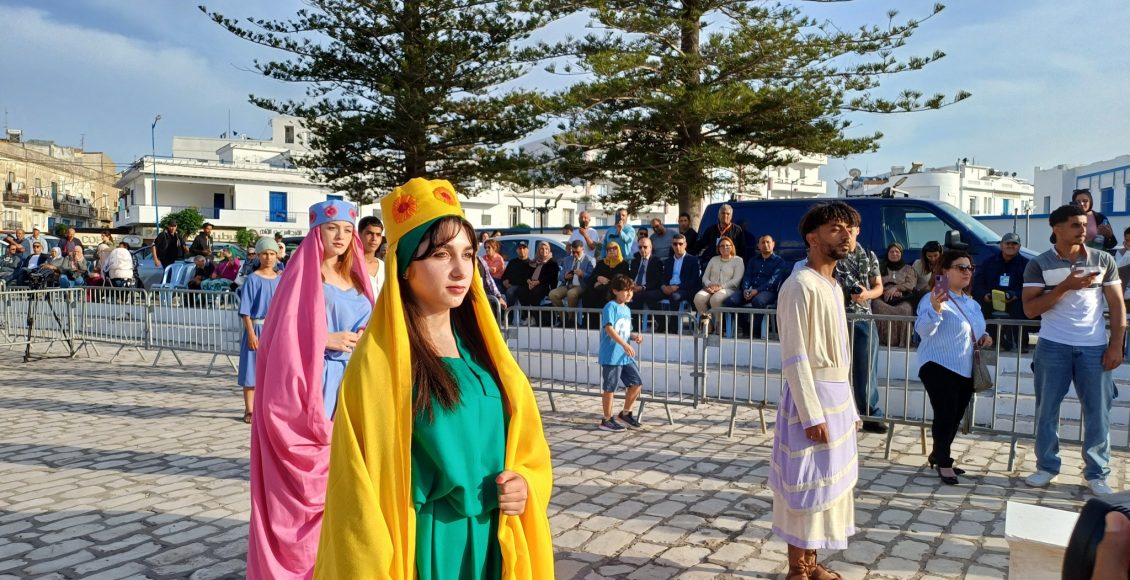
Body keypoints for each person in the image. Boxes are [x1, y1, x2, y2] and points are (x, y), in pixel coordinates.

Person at [314, 178, 553, 578]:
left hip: (494, 538)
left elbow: (527, 446)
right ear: (405, 267)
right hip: (427, 544)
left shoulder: (486, 354)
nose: (461, 269)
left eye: (468, 254)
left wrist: (525, 483)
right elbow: (357, 491)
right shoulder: (377, 366)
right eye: (442, 254)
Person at [246, 199, 375, 579]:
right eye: (333, 228)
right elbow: (279, 337)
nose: (341, 236)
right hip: (313, 385)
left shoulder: (358, 279)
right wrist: (324, 338)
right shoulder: (303, 277)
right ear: (317, 231)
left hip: (353, 385)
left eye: (347, 230)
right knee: (311, 485)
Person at [770, 202, 860, 579]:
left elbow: (842, 356)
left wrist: (850, 409)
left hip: (837, 398)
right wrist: (811, 415)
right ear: (812, 238)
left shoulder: (834, 286)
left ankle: (812, 561)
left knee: (828, 488)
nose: (846, 235)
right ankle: (797, 570)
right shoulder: (799, 286)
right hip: (811, 401)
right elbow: (795, 356)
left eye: (850, 229)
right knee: (805, 485)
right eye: (836, 228)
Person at [1022, 203, 1124, 496]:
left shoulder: (1103, 259)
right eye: (1075, 225)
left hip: (1094, 348)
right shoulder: (1038, 264)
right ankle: (1047, 467)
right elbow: (1030, 309)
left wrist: (1116, 345)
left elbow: (1117, 305)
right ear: (1056, 228)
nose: (1083, 230)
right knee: (1047, 411)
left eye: (1084, 224)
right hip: (1053, 346)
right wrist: (1065, 285)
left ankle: (1097, 473)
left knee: (1098, 413)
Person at [915, 249, 991, 485]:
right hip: (937, 364)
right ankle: (944, 462)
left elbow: (977, 329)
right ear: (945, 271)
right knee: (945, 415)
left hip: (965, 366)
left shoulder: (972, 303)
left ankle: (937, 454)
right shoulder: (932, 298)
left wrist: (985, 336)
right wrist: (936, 309)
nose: (967, 272)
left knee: (955, 416)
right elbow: (923, 330)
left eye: (970, 268)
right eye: (961, 267)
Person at [834, 225, 887, 434]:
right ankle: (840, 414)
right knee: (836, 368)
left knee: (867, 369)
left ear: (858, 230)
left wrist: (866, 294)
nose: (847, 234)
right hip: (837, 316)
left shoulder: (869, 255)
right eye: (842, 229)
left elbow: (879, 286)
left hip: (864, 317)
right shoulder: (834, 254)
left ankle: (870, 415)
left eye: (851, 229)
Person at [237, 237, 283, 424]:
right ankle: (249, 409)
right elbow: (245, 311)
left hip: (275, 329)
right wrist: (251, 334)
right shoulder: (252, 279)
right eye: (265, 253)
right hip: (256, 327)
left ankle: (271, 408)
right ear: (258, 255)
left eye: (272, 253)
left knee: (275, 370)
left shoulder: (281, 280)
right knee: (251, 370)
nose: (268, 257)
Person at [597, 274, 645, 432]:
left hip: (624, 356)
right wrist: (624, 344)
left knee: (636, 382)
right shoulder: (610, 306)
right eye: (626, 290)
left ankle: (625, 413)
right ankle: (606, 419)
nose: (629, 293)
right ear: (615, 291)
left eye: (631, 290)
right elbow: (609, 328)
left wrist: (634, 336)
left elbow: (624, 331)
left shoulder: (627, 309)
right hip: (612, 354)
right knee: (610, 387)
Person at [973, 232, 1030, 352]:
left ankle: (1020, 344)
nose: (1010, 246)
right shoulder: (988, 263)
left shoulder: (1026, 264)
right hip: (991, 299)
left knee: (1020, 307)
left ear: (1019, 246)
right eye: (1007, 243)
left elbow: (1030, 287)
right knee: (978, 306)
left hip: (1015, 300)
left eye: (1014, 244)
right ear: (1001, 245)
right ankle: (990, 341)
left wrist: (1016, 295)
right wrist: (985, 295)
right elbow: (977, 284)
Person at [724, 234, 788, 338]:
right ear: (758, 246)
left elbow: (773, 281)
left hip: (768, 292)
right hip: (750, 290)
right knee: (730, 301)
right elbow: (747, 276)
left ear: (773, 244)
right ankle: (746, 328)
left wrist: (757, 290)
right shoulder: (753, 260)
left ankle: (755, 332)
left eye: (768, 242)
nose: (765, 245)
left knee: (758, 301)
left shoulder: (779, 262)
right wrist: (745, 289)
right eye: (762, 242)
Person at [870, 243, 919, 348]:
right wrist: (886, 291)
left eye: (897, 251)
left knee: (906, 309)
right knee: (876, 305)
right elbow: (874, 283)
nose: (894, 254)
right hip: (883, 297)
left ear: (901, 254)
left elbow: (911, 284)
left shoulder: (908, 269)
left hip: (902, 297)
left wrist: (896, 288)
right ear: (887, 254)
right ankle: (882, 340)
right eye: (891, 251)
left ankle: (902, 342)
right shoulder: (880, 268)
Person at [693, 237, 743, 329]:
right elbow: (705, 277)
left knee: (715, 299)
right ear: (718, 248)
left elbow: (736, 280)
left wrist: (721, 287)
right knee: (698, 298)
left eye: (727, 245)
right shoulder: (713, 259)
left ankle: (718, 325)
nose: (725, 248)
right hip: (711, 288)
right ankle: (708, 325)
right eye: (722, 246)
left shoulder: (738, 260)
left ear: (732, 247)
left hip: (729, 289)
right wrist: (709, 285)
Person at [645, 233, 701, 316]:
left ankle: (673, 324)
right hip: (668, 288)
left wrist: (677, 287)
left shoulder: (693, 260)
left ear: (685, 245)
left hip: (683, 289)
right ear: (672, 245)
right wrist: (663, 286)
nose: (677, 246)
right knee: (648, 295)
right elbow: (663, 277)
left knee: (674, 297)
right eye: (675, 244)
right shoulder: (669, 261)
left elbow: (694, 280)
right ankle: (661, 320)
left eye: (680, 244)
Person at [549, 240, 595, 326]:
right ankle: (565, 319)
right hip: (568, 285)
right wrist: (565, 277)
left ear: (583, 249)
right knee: (553, 294)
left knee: (571, 293)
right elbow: (560, 276)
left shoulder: (589, 260)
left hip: (581, 286)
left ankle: (571, 319)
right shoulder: (567, 259)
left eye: (577, 252)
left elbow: (592, 277)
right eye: (573, 252)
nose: (575, 254)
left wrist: (582, 274)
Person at [581, 241, 630, 310]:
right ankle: (590, 316)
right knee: (587, 292)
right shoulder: (601, 263)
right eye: (609, 249)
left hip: (613, 288)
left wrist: (606, 282)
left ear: (618, 250)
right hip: (598, 288)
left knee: (607, 292)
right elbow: (591, 277)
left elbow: (622, 280)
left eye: (614, 248)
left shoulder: (623, 264)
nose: (611, 251)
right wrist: (598, 278)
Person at [514, 240, 559, 312]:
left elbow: (550, 277)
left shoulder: (552, 262)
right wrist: (529, 281)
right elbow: (527, 273)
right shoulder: (534, 261)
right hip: (532, 284)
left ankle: (535, 315)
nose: (544, 251)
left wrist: (537, 282)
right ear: (538, 250)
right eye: (542, 249)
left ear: (549, 250)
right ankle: (527, 313)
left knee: (534, 292)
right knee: (520, 291)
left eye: (546, 249)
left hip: (545, 285)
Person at [627, 237, 663, 311]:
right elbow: (631, 276)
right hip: (634, 287)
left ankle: (635, 318)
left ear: (650, 247)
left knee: (638, 296)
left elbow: (656, 281)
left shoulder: (656, 261)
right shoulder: (635, 261)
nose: (642, 249)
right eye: (640, 247)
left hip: (648, 288)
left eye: (645, 247)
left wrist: (642, 287)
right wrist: (632, 284)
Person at [359, 216, 386, 299]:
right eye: (369, 233)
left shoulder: (384, 266)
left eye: (378, 235)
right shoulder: (350, 266)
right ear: (359, 235)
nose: (374, 239)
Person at [500, 241, 534, 307]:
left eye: (524, 248)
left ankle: (508, 311)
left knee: (510, 291)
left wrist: (511, 285)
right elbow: (504, 276)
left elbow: (529, 279)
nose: (522, 250)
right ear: (517, 250)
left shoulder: (531, 263)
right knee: (495, 289)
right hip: (509, 286)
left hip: (523, 288)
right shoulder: (512, 262)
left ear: (528, 250)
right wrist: (505, 281)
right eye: (520, 248)